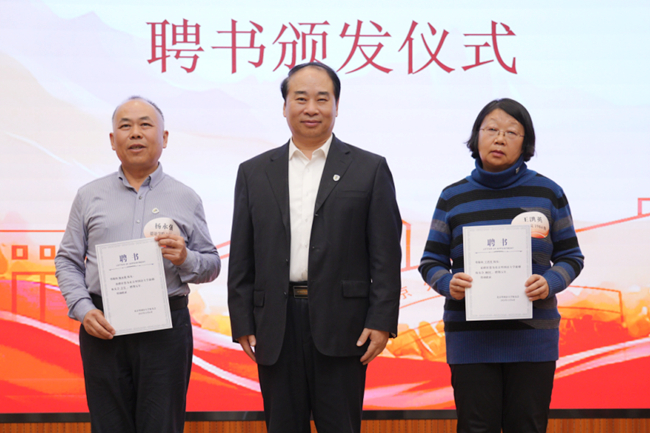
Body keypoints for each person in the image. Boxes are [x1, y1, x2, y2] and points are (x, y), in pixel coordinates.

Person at [227, 62, 402, 433]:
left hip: (344, 324)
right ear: (284, 106)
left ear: (337, 106)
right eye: (300, 98)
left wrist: (382, 320)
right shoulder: (254, 172)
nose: (311, 108)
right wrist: (242, 322)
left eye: (322, 99)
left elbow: (386, 255)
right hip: (276, 323)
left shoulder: (369, 169)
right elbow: (242, 254)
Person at [55, 96, 221, 433]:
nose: (135, 133)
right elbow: (68, 259)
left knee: (162, 424)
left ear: (164, 137)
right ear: (112, 139)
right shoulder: (89, 195)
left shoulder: (185, 197)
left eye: (145, 124)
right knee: (108, 425)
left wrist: (185, 258)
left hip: (166, 329)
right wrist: (83, 309)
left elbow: (212, 264)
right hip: (104, 326)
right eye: (125, 126)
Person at [419, 98, 584, 433]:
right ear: (476, 136)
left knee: (527, 426)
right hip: (471, 341)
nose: (499, 138)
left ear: (526, 143)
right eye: (491, 129)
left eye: (511, 132)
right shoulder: (453, 197)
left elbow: (571, 257)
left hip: (532, 340)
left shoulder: (548, 193)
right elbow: (431, 262)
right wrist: (448, 283)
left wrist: (549, 282)